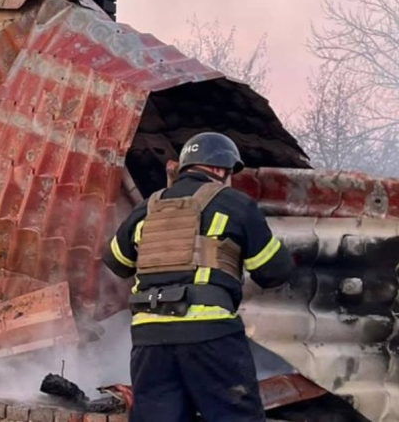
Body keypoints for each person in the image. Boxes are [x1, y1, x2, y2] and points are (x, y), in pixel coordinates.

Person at [101, 131, 295, 422]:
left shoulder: (147, 208)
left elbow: (116, 262)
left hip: (150, 340)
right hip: (210, 335)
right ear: (219, 169)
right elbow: (274, 271)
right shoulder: (236, 204)